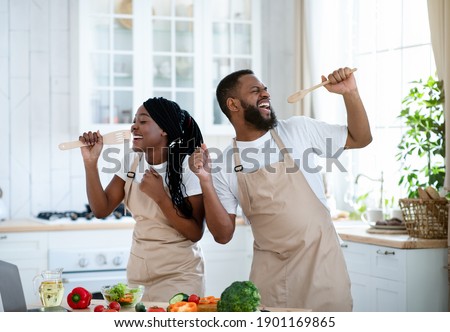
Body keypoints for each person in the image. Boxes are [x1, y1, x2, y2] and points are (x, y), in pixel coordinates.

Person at [189, 67, 372, 311]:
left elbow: (361, 138)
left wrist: (350, 93)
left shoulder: (298, 130)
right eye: (256, 91)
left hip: (323, 269)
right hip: (271, 280)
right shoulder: (223, 165)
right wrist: (205, 181)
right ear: (233, 104)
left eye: (265, 89)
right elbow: (222, 235)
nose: (266, 94)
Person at [79, 97, 206, 302]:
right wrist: (90, 162)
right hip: (139, 275)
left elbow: (194, 232)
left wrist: (161, 197)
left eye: (143, 121)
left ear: (164, 129)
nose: (133, 127)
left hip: (180, 276)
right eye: (134, 121)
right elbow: (101, 210)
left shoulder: (188, 167)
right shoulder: (131, 162)